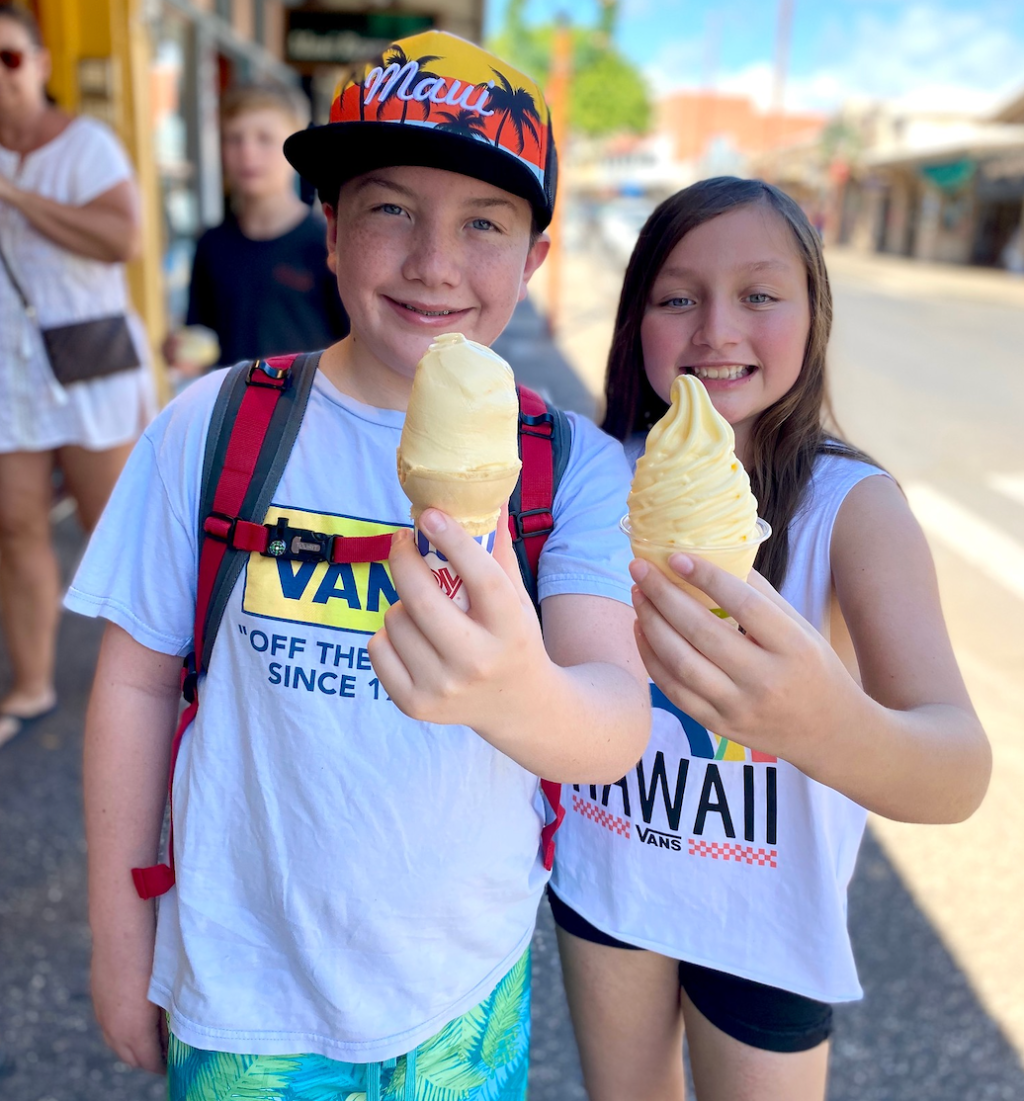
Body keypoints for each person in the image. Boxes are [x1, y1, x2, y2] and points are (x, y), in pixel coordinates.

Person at [66, 30, 650, 1098]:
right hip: (243, 988)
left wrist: (521, 696)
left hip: (458, 997)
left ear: (532, 260)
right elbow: (138, 682)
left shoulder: (567, 468)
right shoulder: (214, 425)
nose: (433, 262)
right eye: (390, 209)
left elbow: (611, 723)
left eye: (484, 223)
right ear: (327, 231)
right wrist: (119, 930)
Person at [549, 177, 991, 1101]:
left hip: (765, 913)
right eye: (677, 297)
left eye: (759, 294)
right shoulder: (594, 477)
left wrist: (826, 722)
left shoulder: (852, 509)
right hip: (611, 874)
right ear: (636, 321)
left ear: (813, 315)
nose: (716, 329)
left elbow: (958, 769)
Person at [0, 1, 154, 749]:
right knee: (16, 524)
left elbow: (122, 237)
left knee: (113, 528)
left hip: (88, 362)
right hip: (7, 368)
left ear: (41, 64)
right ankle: (31, 684)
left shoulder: (86, 145)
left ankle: (156, 680)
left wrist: (15, 195)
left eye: (9, 58)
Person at [166, 81, 349, 380]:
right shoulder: (212, 245)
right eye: (234, 139)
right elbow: (202, 342)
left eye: (264, 138)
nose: (247, 152)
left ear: (295, 145)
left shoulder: (327, 242)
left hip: (310, 412)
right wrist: (178, 351)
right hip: (230, 411)